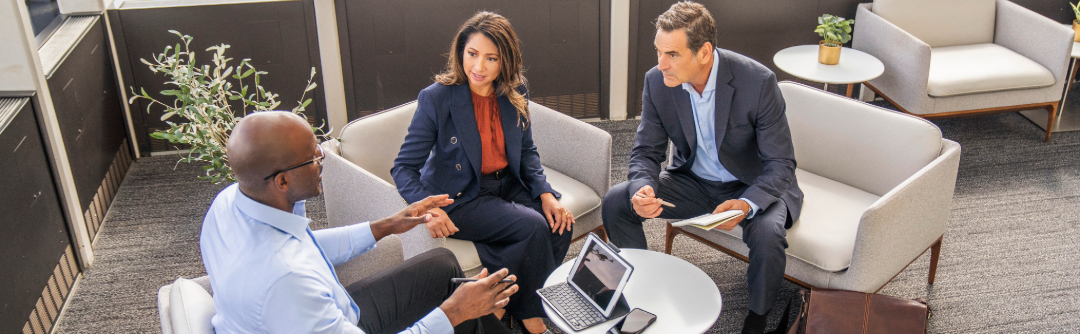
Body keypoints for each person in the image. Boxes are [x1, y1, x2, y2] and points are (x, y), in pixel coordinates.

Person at [200, 111, 519, 334]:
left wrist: (388, 225)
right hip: (314, 318)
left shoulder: (230, 203)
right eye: (312, 156)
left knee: (442, 264)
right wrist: (455, 312)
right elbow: (289, 272)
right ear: (282, 181)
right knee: (458, 311)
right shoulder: (285, 284)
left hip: (322, 318)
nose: (322, 157)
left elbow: (303, 246)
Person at [600, 2, 803, 334]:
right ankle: (644, 289)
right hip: (694, 182)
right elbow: (644, 152)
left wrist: (746, 203)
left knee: (767, 236)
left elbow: (781, 163)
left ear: (704, 52)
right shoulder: (657, 83)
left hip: (749, 185)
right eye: (658, 52)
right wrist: (642, 189)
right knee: (616, 201)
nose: (660, 63)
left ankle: (757, 317)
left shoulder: (757, 83)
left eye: (672, 55)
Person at [392, 12, 572, 334]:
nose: (479, 66)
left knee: (560, 224)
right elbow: (403, 167)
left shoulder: (516, 89)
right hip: (460, 196)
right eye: (472, 54)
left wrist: (546, 194)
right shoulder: (437, 98)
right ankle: (531, 318)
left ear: (506, 61)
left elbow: (527, 151)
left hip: (507, 183)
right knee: (532, 227)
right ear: (460, 51)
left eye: (491, 58)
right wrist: (428, 207)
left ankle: (508, 304)